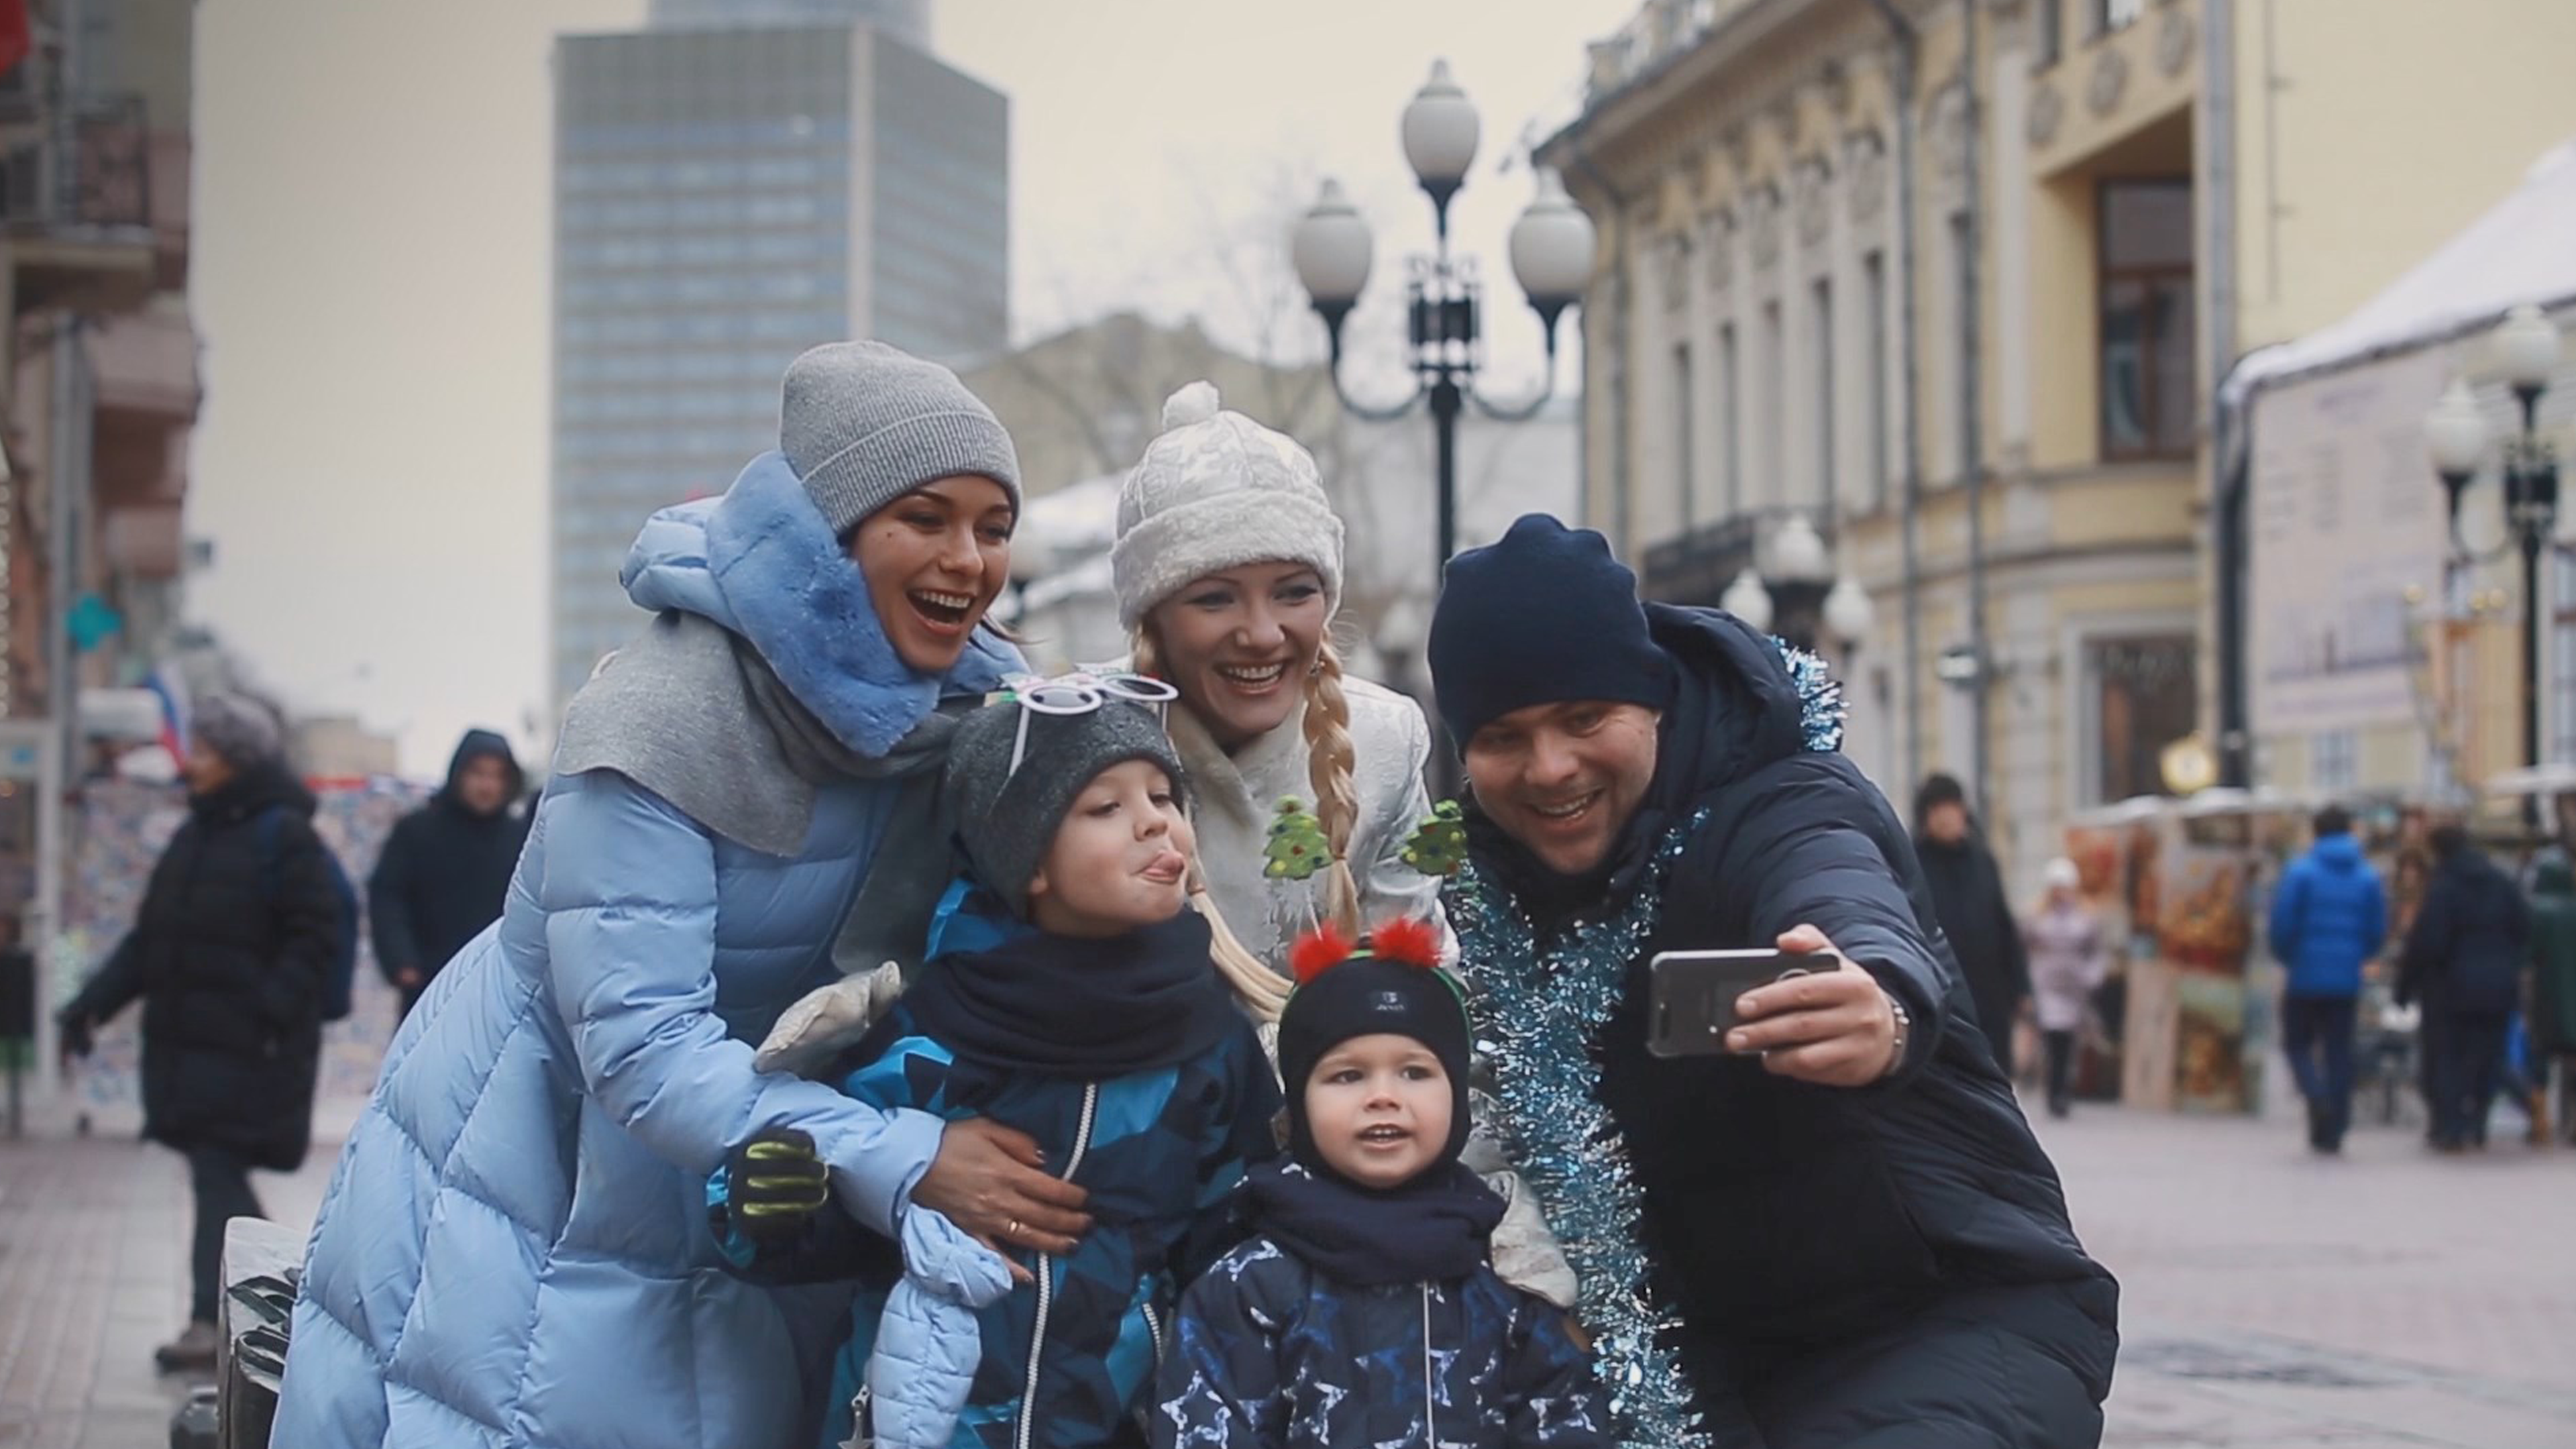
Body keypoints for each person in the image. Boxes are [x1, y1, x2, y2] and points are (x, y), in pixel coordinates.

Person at [275, 343, 1097, 1449]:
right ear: (835, 533)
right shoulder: (663, 718)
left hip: (793, 1178)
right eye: (927, 518)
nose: (969, 560)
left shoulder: (980, 709)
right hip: (557, 1179)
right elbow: (641, 1051)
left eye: (993, 527)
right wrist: (906, 1162)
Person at [1426, 516, 2118, 1449]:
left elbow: (1836, 883)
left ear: (1655, 702)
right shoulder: (1481, 899)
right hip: (1701, 1371)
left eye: (1586, 719)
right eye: (1506, 737)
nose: (1551, 768)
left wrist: (1879, 1002)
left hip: (1941, 1318)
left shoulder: (1779, 796)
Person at [710, 687, 1281, 1449]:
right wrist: (771, 1205)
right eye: (1103, 808)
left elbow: (1234, 1245)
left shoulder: (1211, 1041)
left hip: (1112, 1423)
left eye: (1164, 796)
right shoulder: (934, 1029)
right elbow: (841, 1205)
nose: (1155, 820)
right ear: (1028, 862)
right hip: (918, 1425)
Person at [1155, 920, 1611, 1449]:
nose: (1383, 1097)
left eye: (1415, 1073)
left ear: (1458, 1097)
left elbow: (1564, 1416)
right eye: (1347, 1076)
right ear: (1299, 1105)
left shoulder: (1503, 1270)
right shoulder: (1252, 1283)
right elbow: (1203, 1428)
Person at [1111, 381, 1443, 1012]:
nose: (1262, 635)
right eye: (1214, 598)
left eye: (1294, 592)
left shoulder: (1385, 741)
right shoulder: (1077, 739)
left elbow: (1414, 996)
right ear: (1151, 616)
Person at [56, 692, 344, 1371]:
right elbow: (150, 943)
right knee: (216, 1180)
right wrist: (89, 1006)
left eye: (208, 751)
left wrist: (267, 1011)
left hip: (249, 1052)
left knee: (218, 1179)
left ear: (238, 761)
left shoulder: (284, 836)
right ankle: (261, 1312)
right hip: (190, 1049)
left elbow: (316, 937)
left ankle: (221, 1318)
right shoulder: (197, 835)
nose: (195, 762)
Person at [366, 728, 529, 1018]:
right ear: (459, 774)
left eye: (497, 776)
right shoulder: (417, 832)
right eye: (478, 773)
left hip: (499, 990)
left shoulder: (522, 839)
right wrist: (402, 960)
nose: (487, 785)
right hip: (429, 985)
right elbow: (388, 896)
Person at [2400, 824, 2533, 1152]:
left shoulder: (2444, 888)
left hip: (2451, 988)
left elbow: (2428, 942)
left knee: (2447, 1057)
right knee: (2487, 1056)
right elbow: (2525, 928)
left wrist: (2406, 986)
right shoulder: (2502, 883)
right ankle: (2478, 1121)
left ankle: (2450, 1125)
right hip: (2499, 986)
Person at [2265, 805, 2387, 1154]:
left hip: (2305, 974)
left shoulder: (2301, 872)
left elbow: (2282, 924)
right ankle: (2335, 1127)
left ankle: (2316, 1095)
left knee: (2297, 1043)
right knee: (2339, 1051)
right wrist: (2358, 957)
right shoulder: (2367, 876)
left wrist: (2289, 957)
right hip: (2346, 978)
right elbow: (2376, 929)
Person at [1913, 772, 2029, 1075]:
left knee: (1996, 1076)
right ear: (1926, 815)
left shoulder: (1982, 860)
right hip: (1938, 993)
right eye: (1938, 810)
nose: (1947, 818)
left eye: (1952, 808)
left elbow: (2003, 924)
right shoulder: (1913, 863)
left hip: (1989, 993)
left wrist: (2021, 987)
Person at [2025, 858, 2108, 1120]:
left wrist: (2092, 977)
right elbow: (2023, 949)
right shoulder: (2036, 916)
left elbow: (2097, 952)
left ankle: (2063, 1092)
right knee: (2052, 1040)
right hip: (2046, 985)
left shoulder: (2086, 918)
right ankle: (2053, 1092)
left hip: (2074, 988)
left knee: (2068, 1044)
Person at [2530, 849, 2576, 1142]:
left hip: (2543, 997)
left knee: (2539, 1060)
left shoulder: (2535, 910)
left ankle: (2541, 1123)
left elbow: (2527, 955)